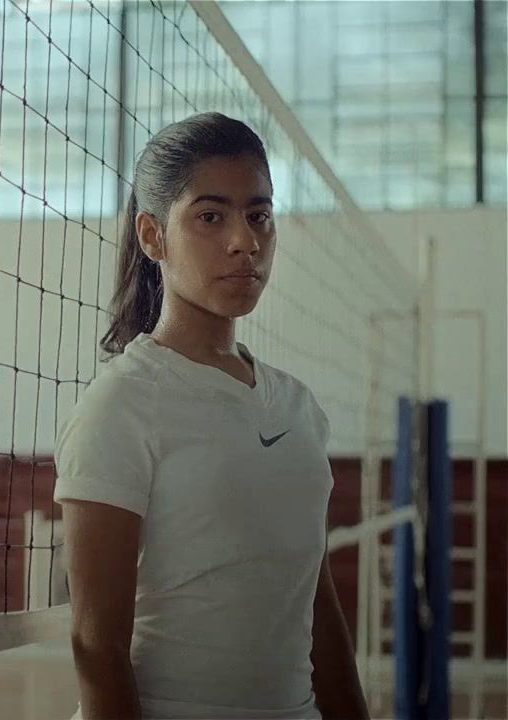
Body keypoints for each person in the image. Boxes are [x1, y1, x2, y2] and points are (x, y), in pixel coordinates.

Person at [55, 112, 368, 719]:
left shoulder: (299, 408)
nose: (244, 241)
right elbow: (97, 648)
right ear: (152, 236)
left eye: (259, 215)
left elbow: (314, 600)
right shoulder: (122, 405)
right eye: (210, 216)